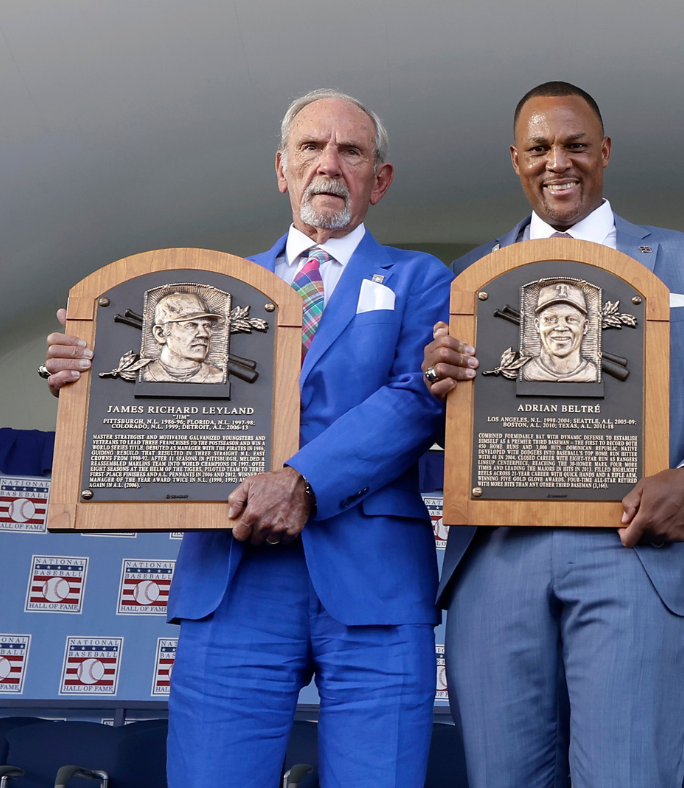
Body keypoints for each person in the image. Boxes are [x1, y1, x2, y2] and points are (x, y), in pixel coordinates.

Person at [42, 89, 451, 787]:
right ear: (281, 169)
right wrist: (90, 374)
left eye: (351, 151)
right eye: (310, 148)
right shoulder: (206, 291)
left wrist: (303, 481)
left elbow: (418, 401)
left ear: (378, 179)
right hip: (234, 577)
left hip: (373, 580)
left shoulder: (424, 280)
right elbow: (151, 390)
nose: (329, 164)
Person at [420, 81, 684, 788]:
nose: (558, 163)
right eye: (539, 148)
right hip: (498, 558)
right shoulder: (469, 276)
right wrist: (434, 383)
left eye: (575, 145)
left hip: (632, 548)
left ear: (604, 152)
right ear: (516, 159)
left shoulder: (682, 258)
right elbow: (441, 417)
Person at [520, 279, 599, 382]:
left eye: (571, 319)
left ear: (585, 326)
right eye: (550, 319)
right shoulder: (527, 372)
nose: (561, 327)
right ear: (537, 325)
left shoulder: (593, 374)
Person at [145, 291, 225, 383]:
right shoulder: (142, 374)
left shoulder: (220, 377)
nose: (204, 334)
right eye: (191, 325)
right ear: (160, 333)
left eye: (206, 325)